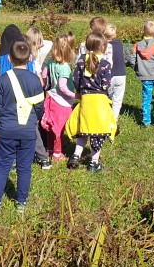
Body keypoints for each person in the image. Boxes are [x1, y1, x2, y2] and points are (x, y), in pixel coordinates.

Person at [0, 40, 46, 212]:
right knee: (24, 168)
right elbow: (39, 106)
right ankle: (21, 202)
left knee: (3, 166)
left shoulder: (4, 80)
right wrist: (35, 119)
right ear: (29, 58)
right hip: (28, 131)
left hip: (6, 130)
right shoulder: (35, 80)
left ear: (10, 59)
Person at [66, 32, 115, 172]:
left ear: (86, 46)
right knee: (98, 132)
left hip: (85, 100)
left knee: (84, 129)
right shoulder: (105, 64)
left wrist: (81, 90)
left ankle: (75, 156)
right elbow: (106, 85)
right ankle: (94, 163)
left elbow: (75, 79)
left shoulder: (81, 61)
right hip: (99, 101)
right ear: (103, 47)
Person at [40, 33, 77, 160]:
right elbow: (63, 87)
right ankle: (57, 153)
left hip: (50, 97)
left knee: (51, 126)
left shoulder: (51, 61)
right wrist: (76, 95)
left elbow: (44, 74)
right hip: (62, 102)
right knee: (59, 128)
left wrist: (45, 85)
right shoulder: (65, 67)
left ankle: (49, 148)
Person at [129, 21, 154, 127]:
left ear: (144, 32)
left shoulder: (137, 45)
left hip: (144, 76)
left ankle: (146, 121)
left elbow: (132, 59)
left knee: (146, 99)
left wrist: (136, 68)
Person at [105, 24, 128, 123]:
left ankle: (104, 118)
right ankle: (114, 121)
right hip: (121, 75)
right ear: (115, 34)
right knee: (117, 101)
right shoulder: (119, 44)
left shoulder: (104, 46)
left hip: (109, 76)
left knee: (105, 98)